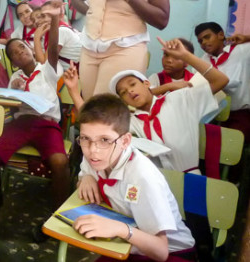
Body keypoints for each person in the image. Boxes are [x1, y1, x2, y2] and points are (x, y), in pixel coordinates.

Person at [65, 37, 228, 174]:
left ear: (147, 83)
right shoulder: (131, 121)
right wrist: (73, 90)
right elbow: (93, 122)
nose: (129, 91)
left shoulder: (179, 100)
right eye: (122, 92)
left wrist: (186, 56)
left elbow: (220, 81)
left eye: (132, 84)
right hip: (153, 182)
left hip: (189, 180)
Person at [75, 94, 196, 261]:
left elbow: (161, 251)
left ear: (125, 141)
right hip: (127, 241)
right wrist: (86, 177)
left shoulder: (142, 177)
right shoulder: (96, 157)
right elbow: (85, 172)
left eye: (105, 140)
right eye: (85, 138)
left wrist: (121, 229)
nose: (93, 150)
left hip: (169, 252)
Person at [0, 3, 69, 207]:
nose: (21, 52)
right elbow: (9, 107)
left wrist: (55, 20)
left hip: (46, 125)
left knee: (60, 163)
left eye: (22, 47)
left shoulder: (47, 70)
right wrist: (15, 92)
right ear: (13, 63)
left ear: (30, 48)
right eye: (15, 53)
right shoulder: (16, 77)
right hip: (22, 123)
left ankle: (57, 212)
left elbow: (53, 49)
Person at [194, 22, 250, 139]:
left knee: (226, 143)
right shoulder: (203, 60)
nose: (204, 43)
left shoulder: (242, 51)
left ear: (220, 35)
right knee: (198, 137)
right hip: (212, 114)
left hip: (240, 114)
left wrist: (247, 38)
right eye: (200, 41)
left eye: (207, 37)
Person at [31, 0, 82, 71]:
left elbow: (44, 65)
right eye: (33, 20)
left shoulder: (61, 31)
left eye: (41, 16)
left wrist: (36, 38)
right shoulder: (55, 32)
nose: (36, 22)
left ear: (59, 15)